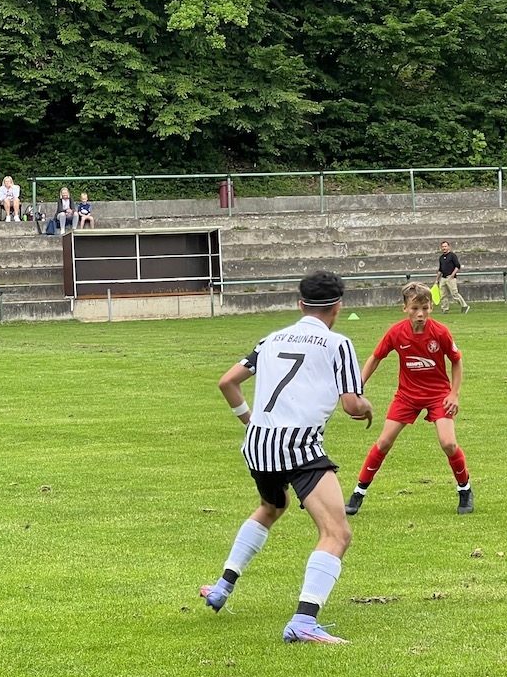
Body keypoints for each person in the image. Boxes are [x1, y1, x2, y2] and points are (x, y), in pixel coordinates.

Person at [200, 271, 374, 644]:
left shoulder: (271, 339)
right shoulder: (338, 343)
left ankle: (222, 586)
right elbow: (351, 405)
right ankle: (304, 621)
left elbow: (227, 382)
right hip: (299, 446)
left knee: (271, 506)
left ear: (300, 304)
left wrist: (250, 422)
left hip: (258, 445)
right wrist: (367, 406)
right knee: (337, 533)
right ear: (338, 307)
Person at [345, 281, 474, 517]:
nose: (420, 314)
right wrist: (357, 387)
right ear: (405, 308)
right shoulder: (396, 332)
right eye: (415, 308)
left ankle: (464, 489)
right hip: (407, 396)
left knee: (448, 443)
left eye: (425, 308)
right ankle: (358, 493)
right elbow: (375, 358)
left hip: (438, 395)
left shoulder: (440, 332)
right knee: (384, 442)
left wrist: (454, 394)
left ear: (431, 307)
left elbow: (456, 361)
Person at [435, 241, 469, 314]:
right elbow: (440, 269)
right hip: (443, 278)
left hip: (450, 278)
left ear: (448, 247)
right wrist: (437, 280)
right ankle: (445, 309)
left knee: (454, 294)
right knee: (443, 295)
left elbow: (457, 266)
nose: (444, 248)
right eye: (443, 247)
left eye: (445, 246)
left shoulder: (452, 255)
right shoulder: (441, 258)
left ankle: (464, 306)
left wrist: (452, 275)